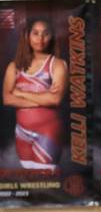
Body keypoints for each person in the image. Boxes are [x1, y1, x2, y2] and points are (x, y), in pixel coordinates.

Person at [2, 17, 67, 171]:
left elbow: (55, 99)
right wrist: (43, 99)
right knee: (29, 181)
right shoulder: (14, 66)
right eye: (35, 33)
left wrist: (20, 92)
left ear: (52, 37)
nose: (40, 38)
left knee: (46, 185)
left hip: (48, 131)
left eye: (45, 34)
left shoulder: (57, 64)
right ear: (27, 36)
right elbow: (7, 99)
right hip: (22, 133)